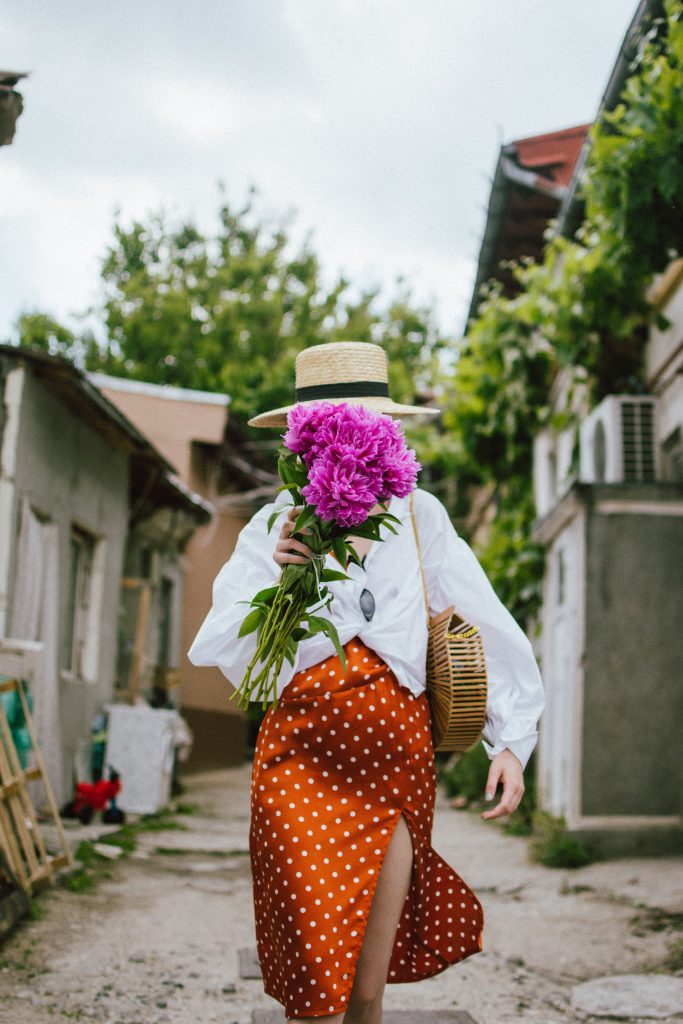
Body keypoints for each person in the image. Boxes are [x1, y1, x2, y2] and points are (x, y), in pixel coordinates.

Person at [188, 340, 545, 1024]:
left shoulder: (420, 516)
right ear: (304, 440)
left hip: (392, 772)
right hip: (299, 766)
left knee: (363, 989)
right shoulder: (276, 522)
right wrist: (294, 573)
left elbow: (484, 622)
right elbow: (228, 651)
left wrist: (510, 741)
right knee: (315, 982)